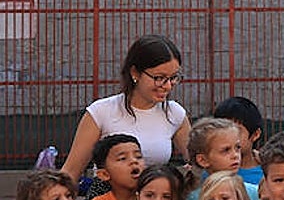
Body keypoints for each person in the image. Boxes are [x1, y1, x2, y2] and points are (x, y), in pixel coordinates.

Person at [62, 35, 191, 184]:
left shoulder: (174, 113)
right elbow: (71, 172)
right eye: (159, 78)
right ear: (135, 73)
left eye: (173, 77)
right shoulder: (101, 112)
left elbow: (198, 163)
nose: (167, 86)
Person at [213, 96, 265, 187]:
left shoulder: (268, 173)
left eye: (237, 130)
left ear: (256, 134)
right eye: (222, 130)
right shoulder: (211, 170)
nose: (228, 137)